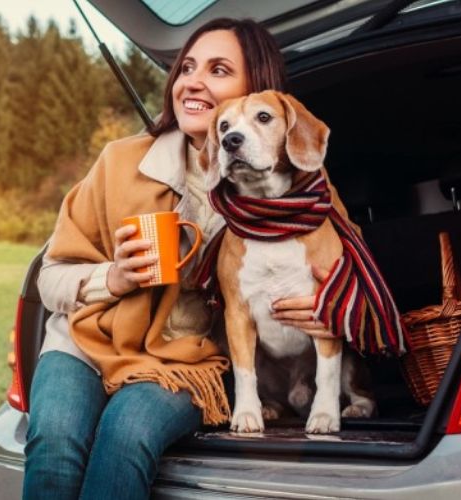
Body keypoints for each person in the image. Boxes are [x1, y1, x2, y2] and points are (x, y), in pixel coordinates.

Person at [22, 18, 288, 500]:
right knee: (56, 446)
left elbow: (338, 263)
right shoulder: (120, 162)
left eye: (219, 69)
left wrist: (324, 298)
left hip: (190, 359)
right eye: (187, 67)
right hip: (87, 342)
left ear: (257, 91)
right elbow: (51, 278)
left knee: (127, 431)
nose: (193, 81)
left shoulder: (283, 186)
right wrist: (116, 277)